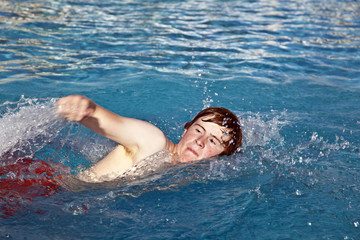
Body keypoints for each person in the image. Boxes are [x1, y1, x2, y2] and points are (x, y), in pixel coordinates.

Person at [56, 95, 242, 182]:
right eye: (199, 130)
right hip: (49, 192)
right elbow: (112, 123)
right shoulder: (154, 142)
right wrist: (88, 109)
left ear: (221, 156)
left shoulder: (185, 175)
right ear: (185, 131)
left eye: (212, 141)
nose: (200, 141)